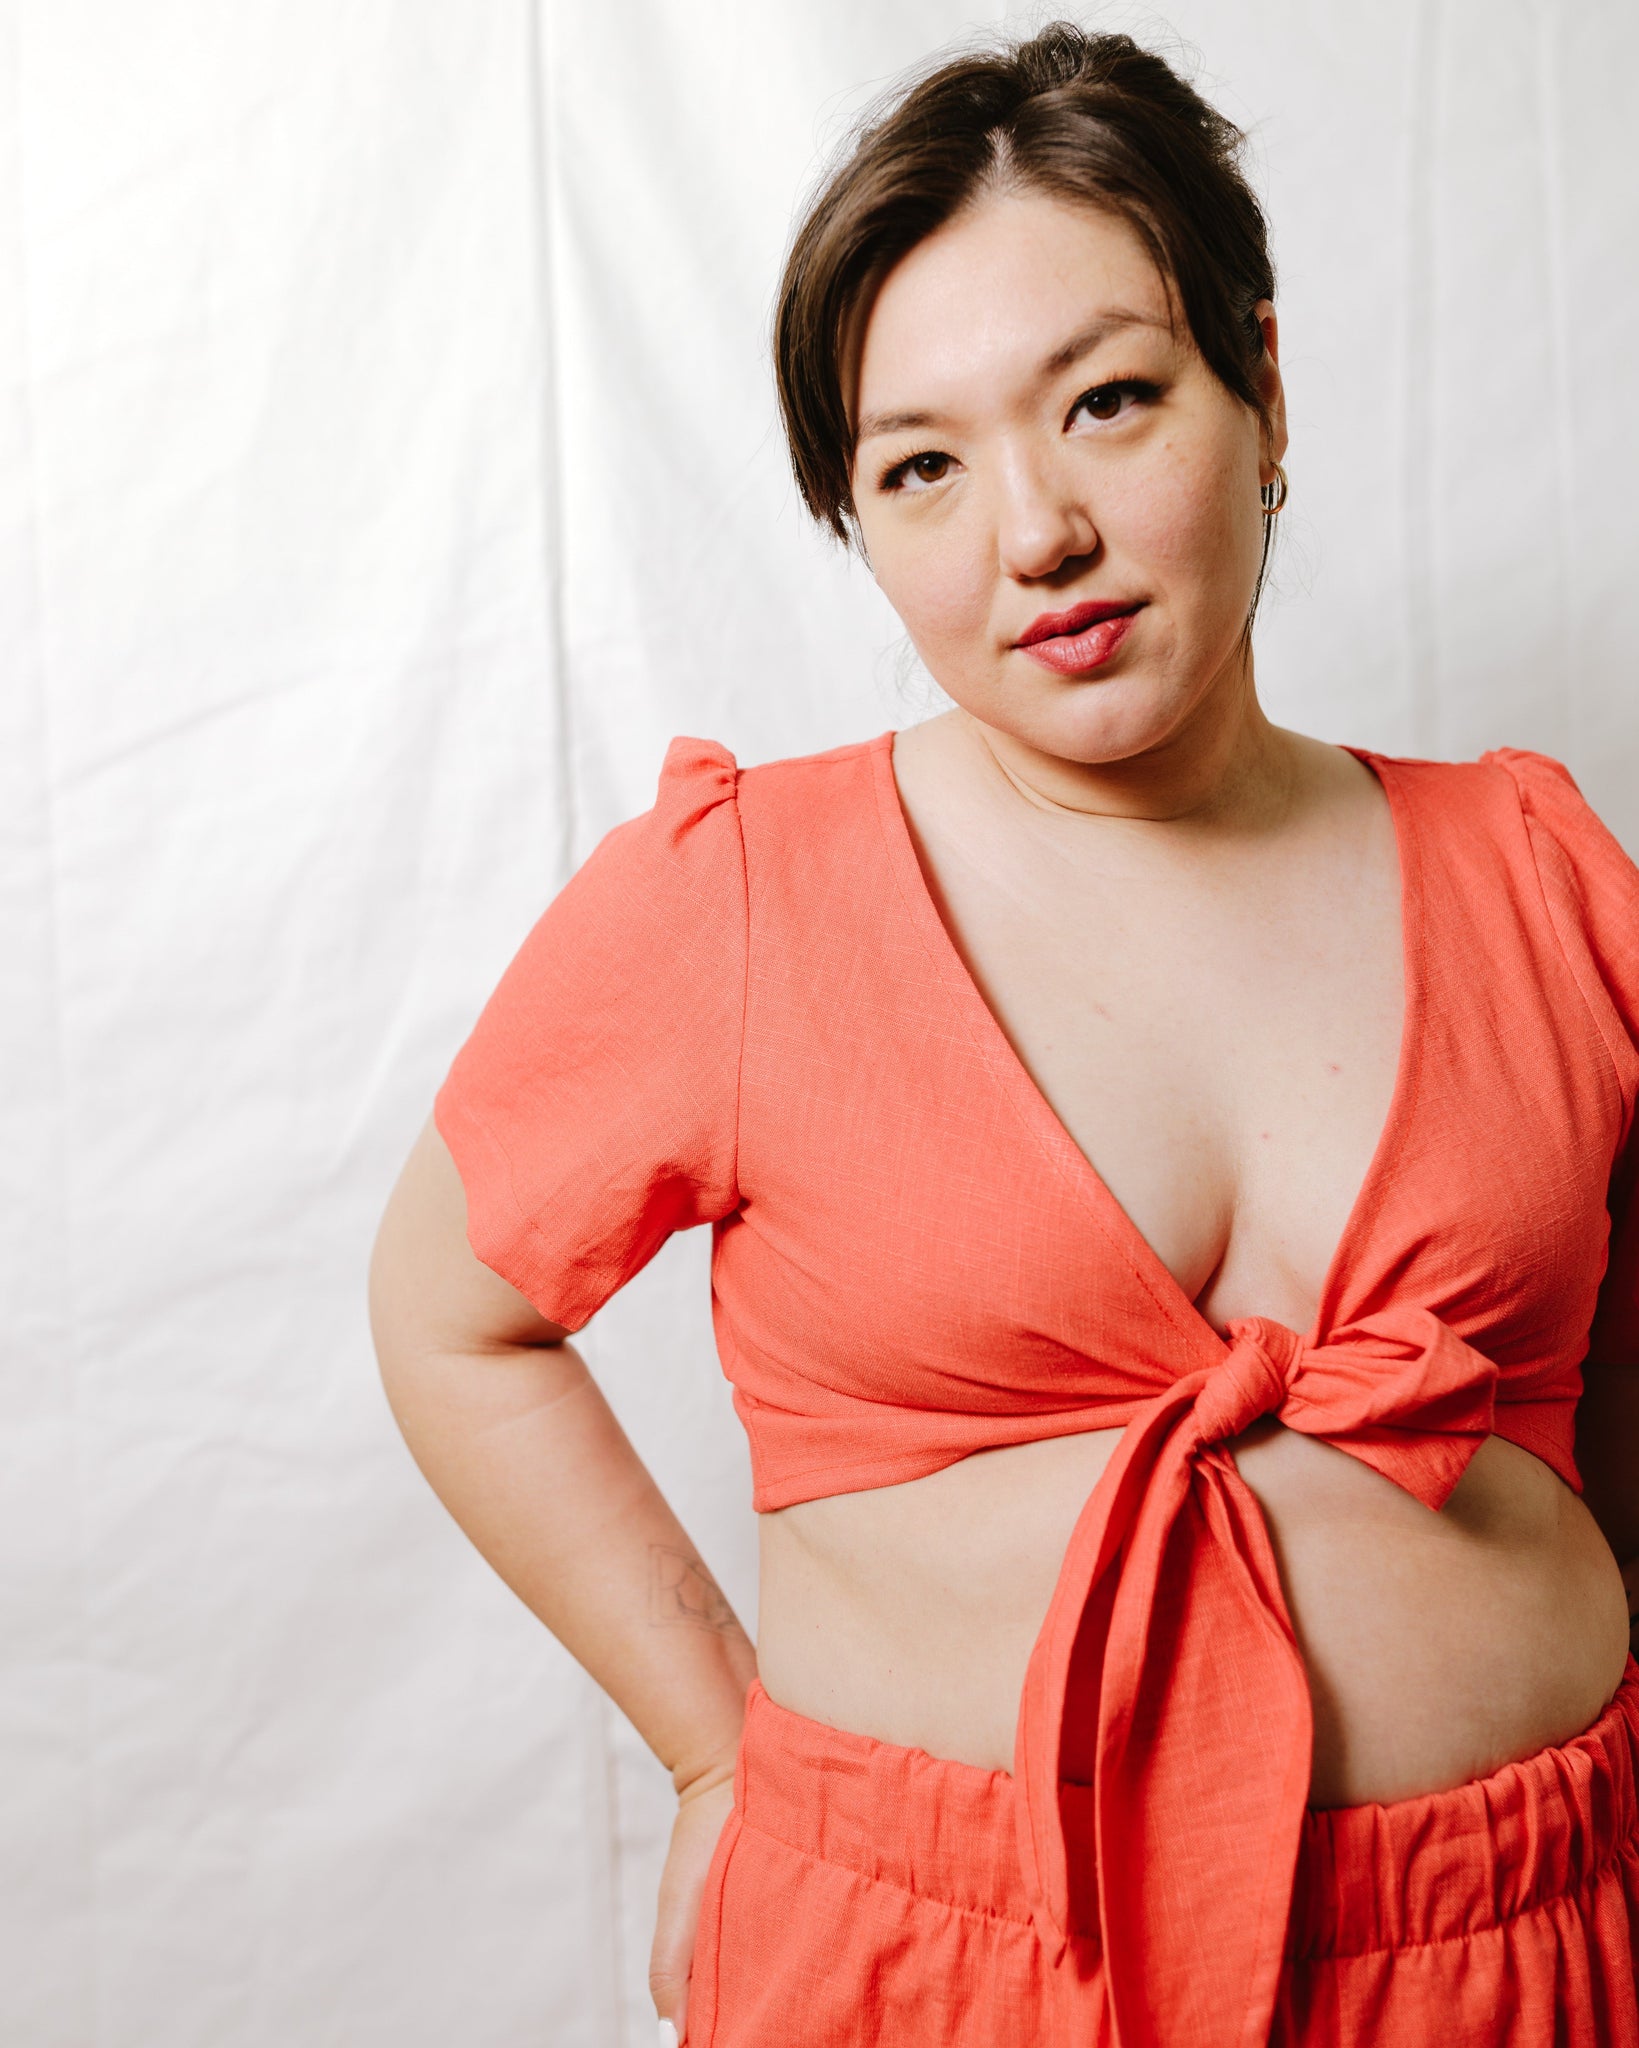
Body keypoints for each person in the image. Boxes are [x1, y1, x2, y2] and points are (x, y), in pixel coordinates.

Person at [368, 24, 1639, 2046]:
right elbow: (452, 1315)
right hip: (942, 1968)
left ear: (1262, 385)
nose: (1032, 531)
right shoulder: (742, 895)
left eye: (1107, 400)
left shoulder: (1538, 872)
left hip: (1522, 1946)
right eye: (921, 467)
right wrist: (708, 1747)